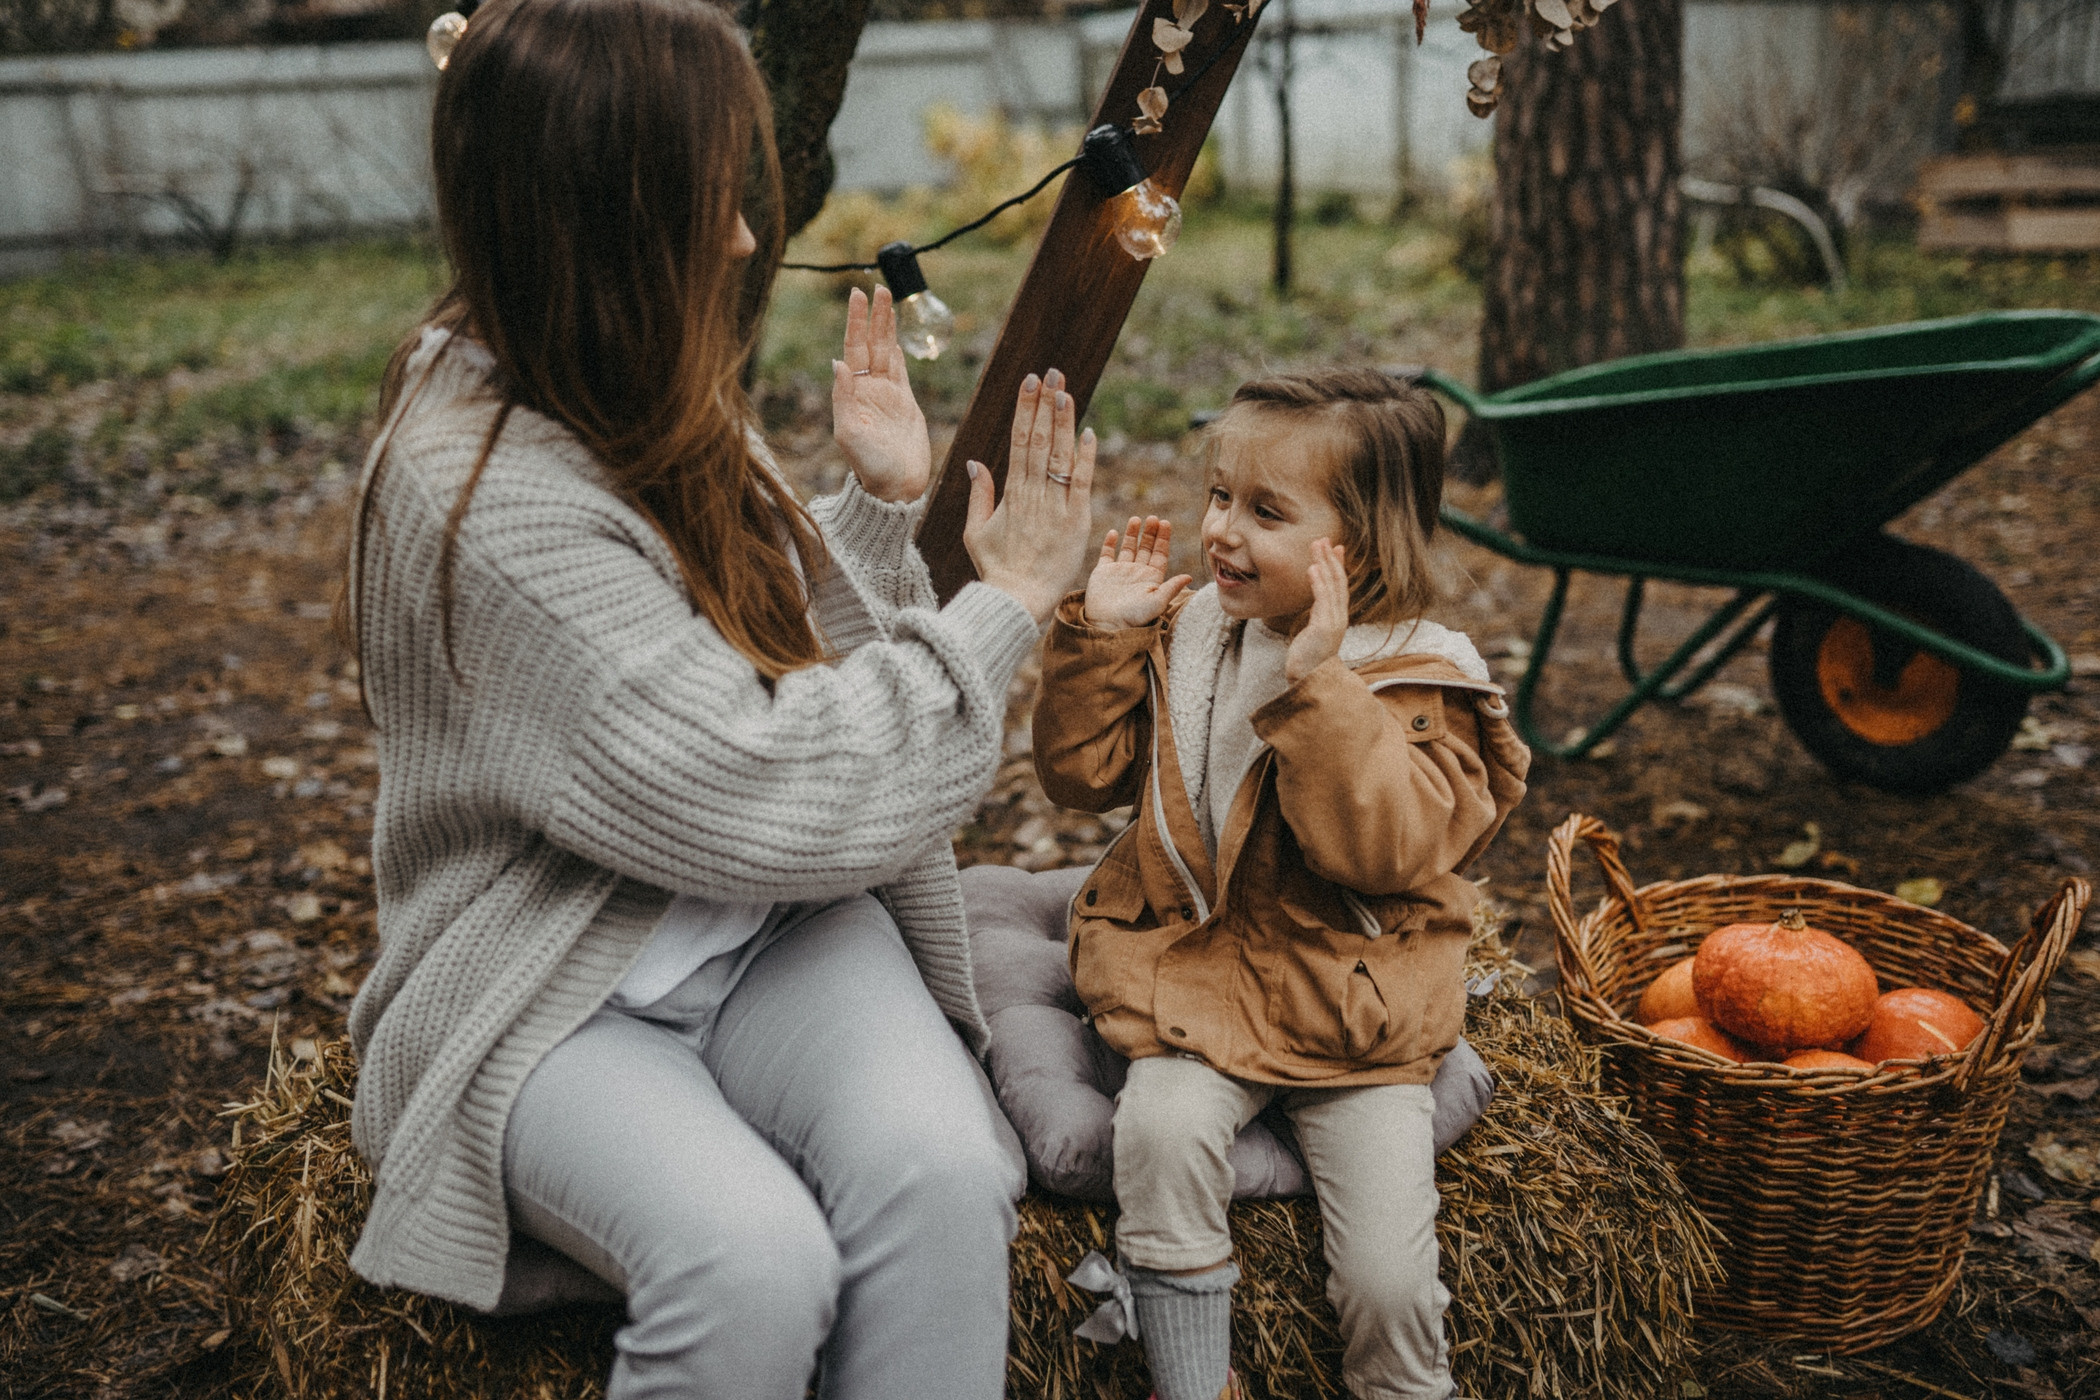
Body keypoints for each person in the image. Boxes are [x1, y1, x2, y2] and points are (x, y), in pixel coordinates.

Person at [337, 1, 1098, 1396]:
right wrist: (1005, 606)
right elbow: (761, 784)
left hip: (763, 932)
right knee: (751, 1260)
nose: (748, 239)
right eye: (714, 201)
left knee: (940, 1175)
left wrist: (872, 514)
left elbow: (719, 649)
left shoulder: (617, 374)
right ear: (603, 214)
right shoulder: (484, 495)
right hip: (559, 973)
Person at [1031, 369, 1532, 1400]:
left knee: (1390, 1279)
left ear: (1362, 541)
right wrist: (1105, 638)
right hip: (1198, 979)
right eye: (1219, 494)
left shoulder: (1420, 675)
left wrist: (1323, 686)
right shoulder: (1195, 632)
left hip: (1355, 1010)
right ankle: (1193, 1378)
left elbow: (1380, 852)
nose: (1220, 529)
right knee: (1159, 1137)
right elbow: (1079, 777)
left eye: (1265, 511)